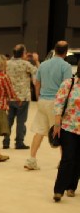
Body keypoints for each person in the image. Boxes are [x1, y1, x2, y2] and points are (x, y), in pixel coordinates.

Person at [25, 41, 73, 170]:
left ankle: (31, 160)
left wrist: (39, 97)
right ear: (66, 51)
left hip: (43, 101)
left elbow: (37, 83)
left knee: (39, 131)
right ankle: (63, 162)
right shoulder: (66, 66)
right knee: (60, 133)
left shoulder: (44, 65)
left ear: (55, 50)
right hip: (56, 103)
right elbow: (67, 87)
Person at [51, 69, 80, 201]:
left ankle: (71, 187)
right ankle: (58, 190)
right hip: (68, 127)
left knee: (78, 159)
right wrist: (57, 124)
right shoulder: (69, 83)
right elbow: (59, 103)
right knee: (67, 158)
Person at [3, 44, 38, 149]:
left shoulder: (7, 64)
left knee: (8, 120)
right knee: (21, 121)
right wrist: (35, 60)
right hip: (23, 98)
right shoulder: (26, 64)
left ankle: (6, 141)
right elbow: (38, 72)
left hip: (9, 97)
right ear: (23, 53)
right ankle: (19, 142)